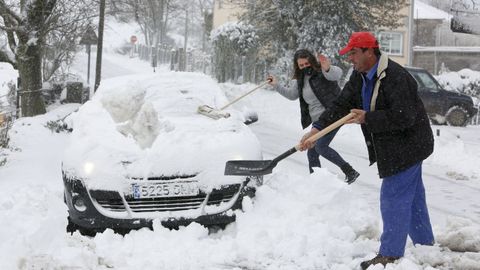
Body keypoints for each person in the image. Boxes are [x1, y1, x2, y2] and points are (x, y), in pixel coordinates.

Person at [299, 32, 435, 269]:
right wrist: (317, 129)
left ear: (369, 52)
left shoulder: (396, 77)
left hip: (409, 143)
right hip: (395, 143)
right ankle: (425, 245)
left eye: (353, 53)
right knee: (412, 198)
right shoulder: (360, 75)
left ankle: (390, 254)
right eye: (349, 54)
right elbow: (341, 103)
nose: (349, 58)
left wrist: (368, 118)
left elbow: (405, 115)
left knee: (393, 196)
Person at [267, 49, 359, 184]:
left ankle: (350, 171)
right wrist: (275, 85)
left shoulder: (322, 71)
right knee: (312, 151)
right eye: (301, 65)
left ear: (311, 61)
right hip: (318, 121)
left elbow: (336, 75)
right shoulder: (300, 79)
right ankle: (316, 182)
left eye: (306, 63)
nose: (305, 67)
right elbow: (292, 95)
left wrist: (327, 67)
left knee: (321, 146)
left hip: (333, 115)